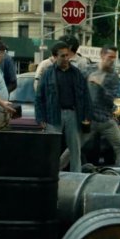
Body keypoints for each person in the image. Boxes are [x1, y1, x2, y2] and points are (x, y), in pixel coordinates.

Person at [35, 41, 91, 173]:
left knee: (75, 149)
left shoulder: (76, 73)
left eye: (67, 55)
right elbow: (39, 97)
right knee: (52, 148)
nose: (66, 58)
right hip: (53, 114)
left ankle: (76, 176)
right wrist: (40, 117)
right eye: (62, 56)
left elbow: (85, 96)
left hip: (73, 114)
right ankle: (50, 174)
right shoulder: (48, 74)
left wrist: (86, 116)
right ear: (55, 57)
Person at [77, 45, 120, 164]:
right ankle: (58, 169)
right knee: (75, 147)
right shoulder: (89, 70)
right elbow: (78, 90)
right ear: (102, 56)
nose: (112, 60)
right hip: (89, 119)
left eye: (114, 57)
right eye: (110, 57)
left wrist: (100, 86)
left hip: (105, 120)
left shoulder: (113, 76)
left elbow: (111, 99)